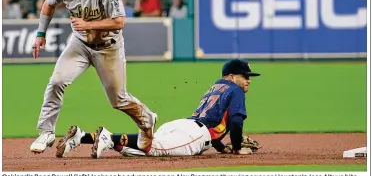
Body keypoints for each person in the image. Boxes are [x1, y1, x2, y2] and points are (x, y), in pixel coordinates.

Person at [30, 0, 157, 155]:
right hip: (80, 44)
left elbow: (119, 22)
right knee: (57, 81)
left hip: (108, 48)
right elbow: (49, 4)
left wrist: (88, 24)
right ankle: (46, 131)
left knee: (118, 100)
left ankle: (147, 120)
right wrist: (40, 34)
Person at [55, 59, 260, 158]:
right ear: (232, 76)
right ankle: (108, 137)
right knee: (152, 149)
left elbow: (216, 120)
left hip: (182, 125)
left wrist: (221, 147)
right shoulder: (235, 90)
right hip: (195, 134)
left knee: (142, 150)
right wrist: (236, 149)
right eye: (246, 76)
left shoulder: (218, 86)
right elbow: (235, 121)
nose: (248, 81)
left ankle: (82, 137)